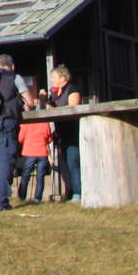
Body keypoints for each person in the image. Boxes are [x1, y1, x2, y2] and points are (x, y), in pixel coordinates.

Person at [0, 53, 31, 212]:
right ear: (12, 66)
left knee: (1, 160)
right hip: (8, 121)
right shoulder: (15, 77)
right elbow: (29, 101)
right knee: (6, 161)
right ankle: (0, 202)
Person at [48, 65, 83, 201]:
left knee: (73, 163)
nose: (52, 80)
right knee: (65, 165)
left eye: (54, 77)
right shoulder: (56, 94)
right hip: (61, 133)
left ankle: (78, 193)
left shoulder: (72, 89)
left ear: (63, 78)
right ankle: (70, 191)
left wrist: (54, 109)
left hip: (72, 132)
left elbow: (73, 106)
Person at [16, 91, 53, 203]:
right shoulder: (44, 123)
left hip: (29, 153)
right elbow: (49, 138)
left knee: (26, 174)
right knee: (40, 176)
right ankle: (38, 197)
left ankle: (22, 195)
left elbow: (20, 139)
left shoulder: (26, 124)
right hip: (42, 153)